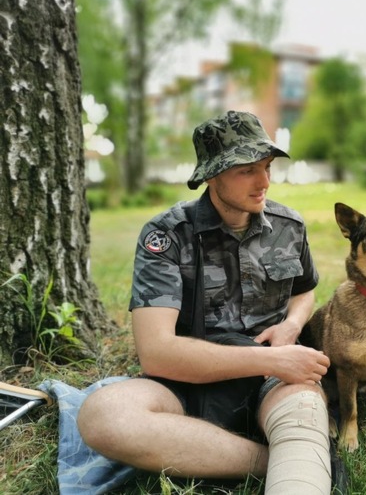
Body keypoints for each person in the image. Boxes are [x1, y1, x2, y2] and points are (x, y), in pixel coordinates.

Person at [77, 111, 336, 494]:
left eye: (266, 167)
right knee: (104, 417)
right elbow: (158, 354)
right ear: (213, 174)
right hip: (189, 380)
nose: (264, 181)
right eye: (246, 170)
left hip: (272, 381)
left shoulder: (288, 226)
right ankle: (268, 461)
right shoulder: (167, 235)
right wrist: (272, 359)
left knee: (306, 413)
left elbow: (303, 289)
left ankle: (280, 457)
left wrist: (293, 325)